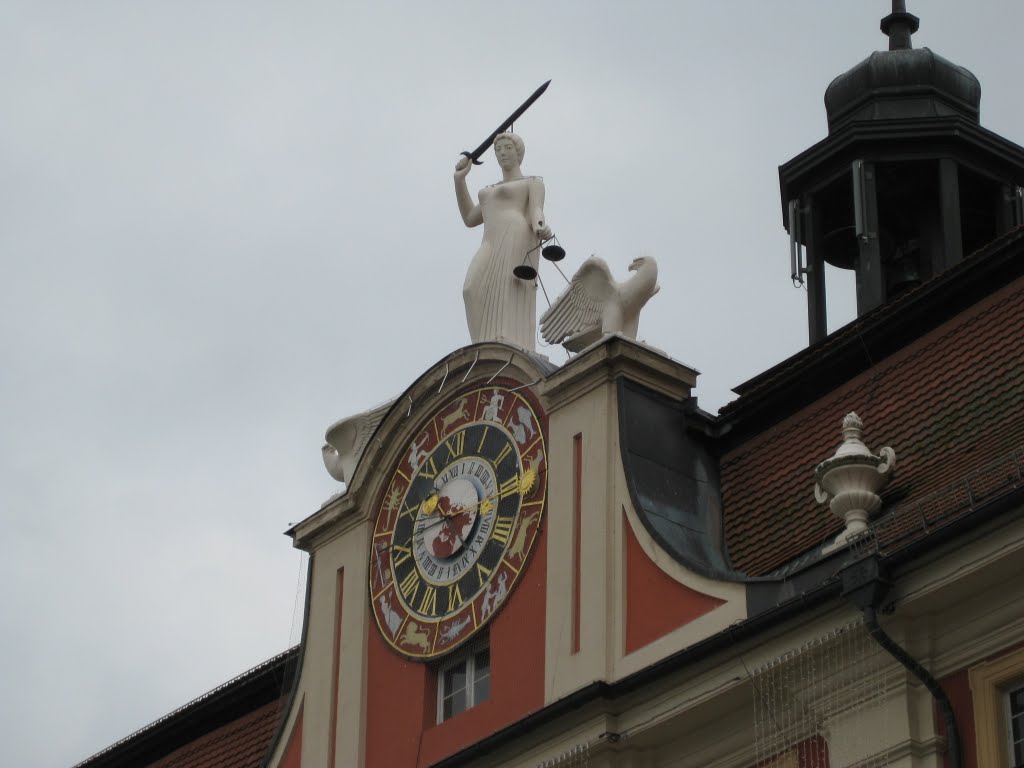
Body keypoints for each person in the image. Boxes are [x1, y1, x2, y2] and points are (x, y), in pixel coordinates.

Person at [454, 133, 552, 351]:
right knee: (470, 289)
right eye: (498, 150)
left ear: (518, 152)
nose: (502, 153)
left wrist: (539, 225)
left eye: (507, 148)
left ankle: (505, 342)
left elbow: (536, 209)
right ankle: (481, 346)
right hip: (490, 241)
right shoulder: (489, 190)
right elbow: (470, 218)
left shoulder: (532, 183)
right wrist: (459, 180)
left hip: (516, 236)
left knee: (508, 289)